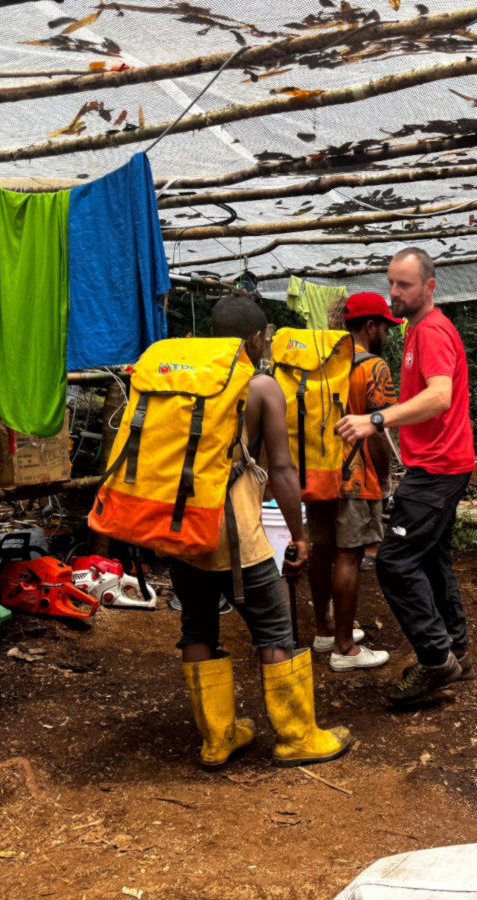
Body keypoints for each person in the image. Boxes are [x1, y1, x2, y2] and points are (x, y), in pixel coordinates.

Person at [173, 291, 351, 769]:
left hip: (179, 525)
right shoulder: (260, 387)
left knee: (197, 625)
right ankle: (297, 737)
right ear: (256, 338)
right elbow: (283, 471)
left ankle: (217, 739)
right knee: (274, 629)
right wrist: (300, 534)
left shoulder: (186, 380)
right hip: (234, 532)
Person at [336, 248, 476, 707]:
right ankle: (455, 647)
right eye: (391, 282)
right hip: (440, 463)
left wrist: (376, 421)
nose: (394, 292)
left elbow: (439, 397)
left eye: (405, 285)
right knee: (431, 555)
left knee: (395, 562)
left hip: (437, 468)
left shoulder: (432, 331)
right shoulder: (417, 330)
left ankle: (436, 660)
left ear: (429, 287)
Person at [308, 292, 399, 672]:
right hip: (353, 474)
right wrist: (383, 476)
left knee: (322, 549)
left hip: (318, 469)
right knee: (350, 554)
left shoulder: (320, 362)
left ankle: (325, 629)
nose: (387, 335)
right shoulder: (374, 366)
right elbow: (377, 431)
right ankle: (344, 649)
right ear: (370, 326)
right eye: (384, 327)